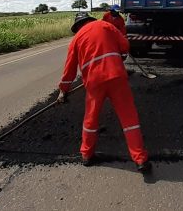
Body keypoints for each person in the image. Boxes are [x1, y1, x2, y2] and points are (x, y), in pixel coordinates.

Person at [56, 12, 151, 172]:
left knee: (90, 119)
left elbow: (69, 71)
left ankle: (86, 155)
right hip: (116, 76)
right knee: (129, 118)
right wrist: (118, 54)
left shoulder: (76, 40)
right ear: (90, 20)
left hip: (94, 82)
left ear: (78, 26)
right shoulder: (106, 25)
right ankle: (140, 159)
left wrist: (63, 90)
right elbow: (125, 46)